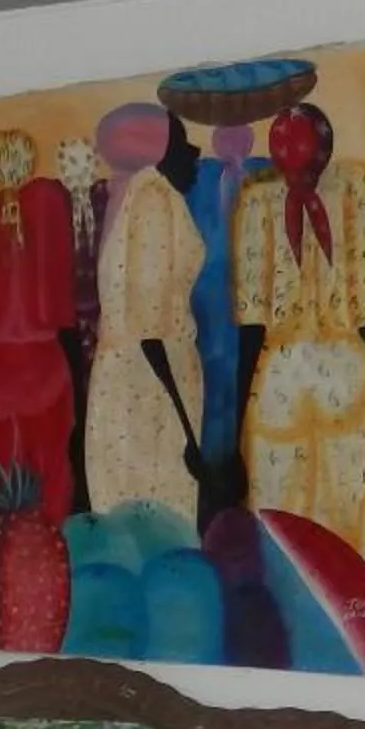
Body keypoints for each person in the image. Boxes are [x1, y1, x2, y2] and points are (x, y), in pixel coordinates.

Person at [234, 103, 365, 536]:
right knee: (331, 528)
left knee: (305, 526)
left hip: (296, 379)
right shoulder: (355, 189)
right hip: (327, 376)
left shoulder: (260, 202)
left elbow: (252, 325)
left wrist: (237, 429)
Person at [82, 104, 209, 520]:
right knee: (160, 508)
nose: (193, 155)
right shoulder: (153, 197)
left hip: (131, 377)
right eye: (179, 145)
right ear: (155, 151)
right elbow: (149, 328)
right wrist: (187, 432)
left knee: (128, 506)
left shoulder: (135, 193)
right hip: (150, 386)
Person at [0, 129, 82, 523]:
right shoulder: (49, 205)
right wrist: (82, 397)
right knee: (50, 480)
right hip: (46, 371)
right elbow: (65, 319)